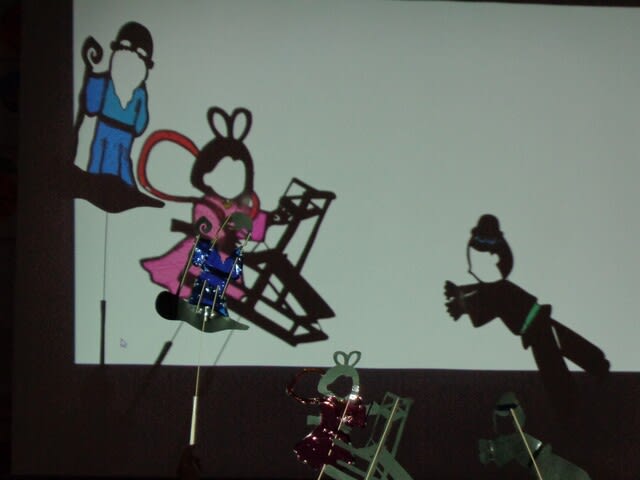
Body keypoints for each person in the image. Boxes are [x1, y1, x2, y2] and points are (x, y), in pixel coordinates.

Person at [444, 214, 609, 414]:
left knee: (554, 365)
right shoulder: (497, 287)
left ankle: (572, 401)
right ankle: (593, 370)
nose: (472, 270)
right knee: (564, 349)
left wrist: (461, 302)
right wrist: (461, 297)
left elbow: (482, 307)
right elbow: (483, 296)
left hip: (535, 326)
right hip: (535, 323)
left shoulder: (499, 287)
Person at [83, 21, 153, 187]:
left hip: (125, 137)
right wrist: (92, 73)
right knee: (98, 160)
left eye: (139, 54)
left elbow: (141, 122)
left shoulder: (139, 93)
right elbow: (91, 106)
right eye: (126, 47)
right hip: (104, 130)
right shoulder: (105, 82)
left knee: (122, 165)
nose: (131, 56)